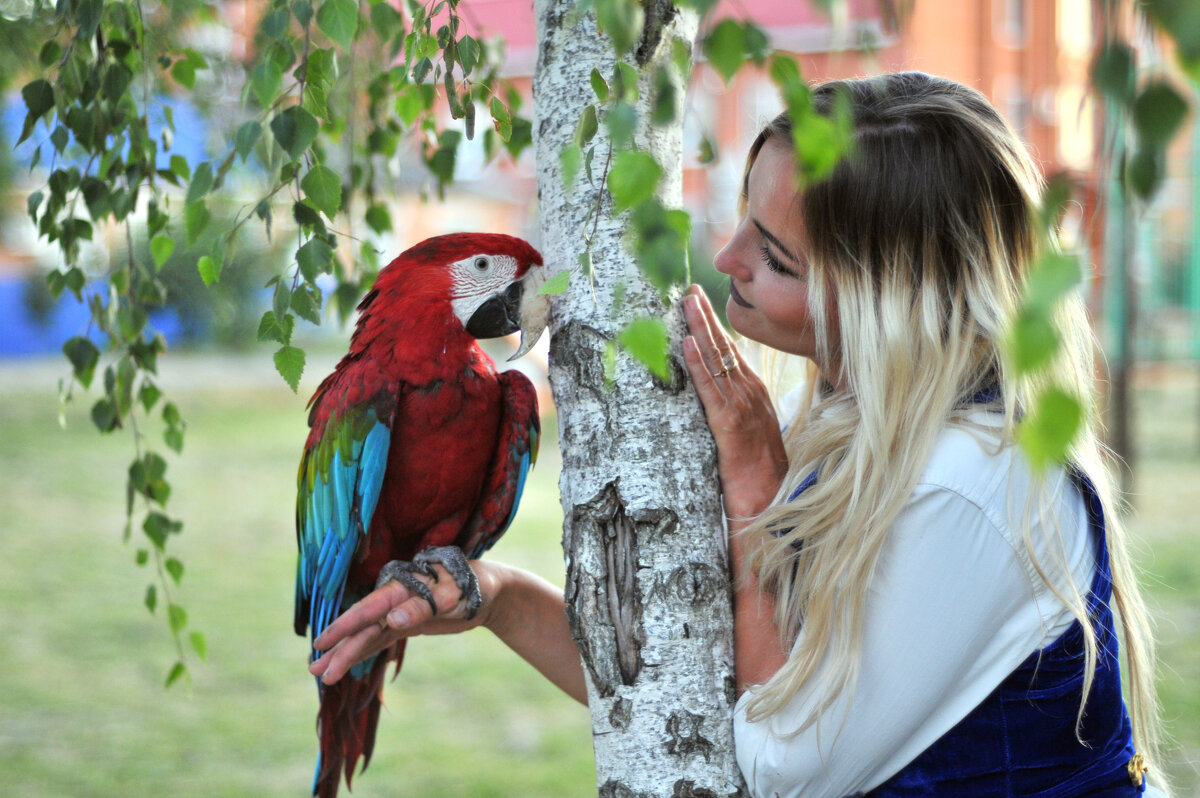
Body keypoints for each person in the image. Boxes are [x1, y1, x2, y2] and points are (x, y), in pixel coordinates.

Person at [308, 72, 1166, 797]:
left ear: (889, 306)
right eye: (745, 218)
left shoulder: (974, 487)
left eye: (776, 257)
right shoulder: (847, 420)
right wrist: (491, 596)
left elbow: (777, 767)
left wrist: (755, 490)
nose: (726, 259)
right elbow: (703, 688)